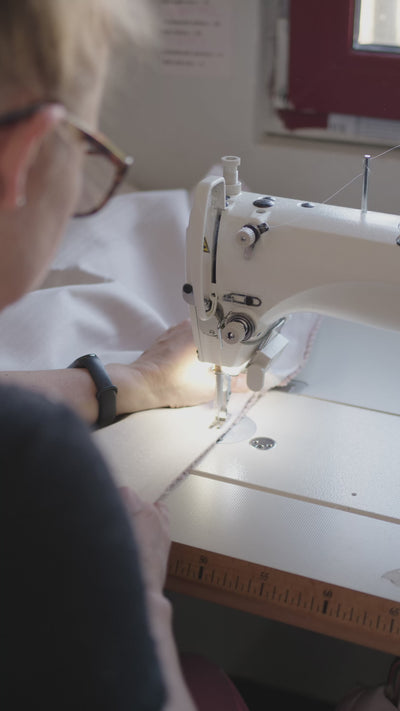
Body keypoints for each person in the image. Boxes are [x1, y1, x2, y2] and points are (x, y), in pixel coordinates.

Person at [0, 1, 250, 709]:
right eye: (87, 151)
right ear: (21, 159)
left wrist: (130, 380)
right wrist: (138, 589)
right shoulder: (38, 473)